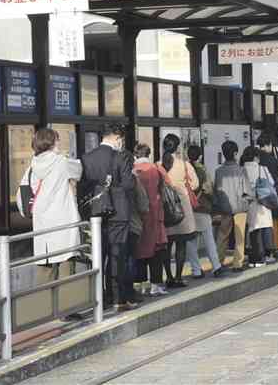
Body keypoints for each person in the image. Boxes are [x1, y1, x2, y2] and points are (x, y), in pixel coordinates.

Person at [80, 123, 140, 311]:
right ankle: (116, 298)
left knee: (99, 254)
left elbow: (84, 186)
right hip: (118, 213)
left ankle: (100, 298)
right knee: (117, 257)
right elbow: (129, 185)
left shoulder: (86, 158)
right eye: (120, 138)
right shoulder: (121, 157)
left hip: (95, 212)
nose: (121, 142)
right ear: (116, 137)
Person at [17, 128, 83, 287]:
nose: (59, 142)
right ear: (52, 143)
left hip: (42, 224)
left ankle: (44, 307)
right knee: (67, 267)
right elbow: (79, 171)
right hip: (63, 223)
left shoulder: (32, 167)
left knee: (45, 269)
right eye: (57, 139)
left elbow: (23, 195)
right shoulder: (61, 162)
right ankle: (66, 309)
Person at [159, 134, 199, 288]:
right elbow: (194, 184)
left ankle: (168, 277)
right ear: (177, 147)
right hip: (181, 209)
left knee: (166, 246)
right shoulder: (184, 165)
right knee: (181, 244)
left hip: (165, 209)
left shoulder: (158, 165)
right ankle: (178, 277)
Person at [133, 144, 169, 297]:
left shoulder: (132, 170)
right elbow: (165, 187)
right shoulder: (156, 169)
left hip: (137, 216)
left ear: (135, 155)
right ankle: (155, 284)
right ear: (149, 154)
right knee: (157, 250)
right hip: (155, 214)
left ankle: (140, 284)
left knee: (139, 250)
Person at [185, 145, 224, 278]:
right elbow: (208, 189)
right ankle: (216, 266)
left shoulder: (184, 169)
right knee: (209, 240)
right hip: (202, 208)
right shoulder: (202, 170)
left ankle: (196, 270)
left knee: (191, 242)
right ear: (200, 156)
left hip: (188, 209)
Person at [215, 140, 251, 272]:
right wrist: (248, 201)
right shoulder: (241, 170)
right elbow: (247, 190)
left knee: (222, 235)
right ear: (235, 153)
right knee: (239, 236)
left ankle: (218, 261)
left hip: (225, 208)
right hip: (240, 207)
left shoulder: (219, 171)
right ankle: (238, 263)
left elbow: (217, 190)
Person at [241, 146, 275, 267]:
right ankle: (264, 256)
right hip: (263, 202)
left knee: (252, 230)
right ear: (256, 157)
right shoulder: (263, 169)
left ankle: (252, 259)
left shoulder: (242, 169)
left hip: (249, 203)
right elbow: (271, 183)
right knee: (265, 228)